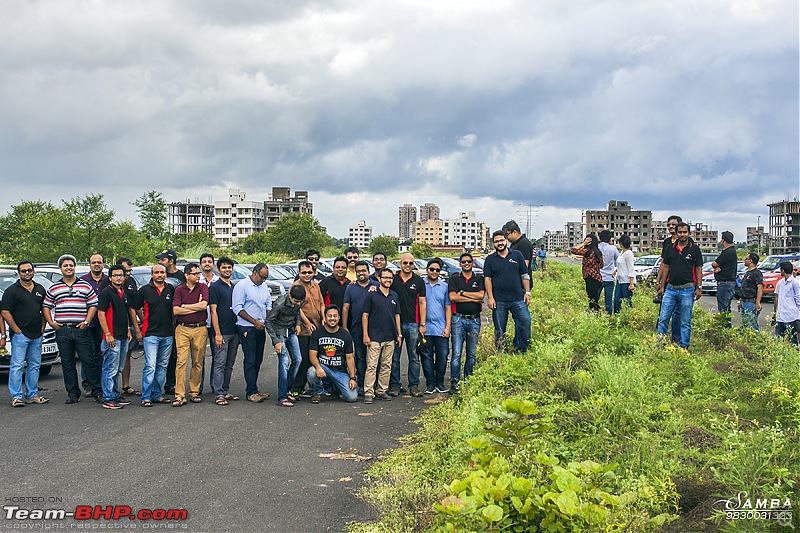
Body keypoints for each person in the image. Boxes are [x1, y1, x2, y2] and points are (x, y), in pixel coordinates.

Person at [43, 254, 100, 403]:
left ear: (74, 267)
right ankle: (73, 393)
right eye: (65, 266)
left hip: (81, 329)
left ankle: (97, 391)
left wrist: (87, 321)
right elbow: (46, 306)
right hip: (62, 330)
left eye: (71, 265)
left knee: (88, 361)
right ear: (60, 268)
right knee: (68, 363)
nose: (69, 268)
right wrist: (52, 322)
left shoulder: (85, 286)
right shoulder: (54, 288)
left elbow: (93, 304)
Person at [1, 261, 49, 407]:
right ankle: (16, 397)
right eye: (23, 271)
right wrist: (16, 329)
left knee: (34, 365)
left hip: (37, 334)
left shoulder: (40, 288)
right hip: (20, 335)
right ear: (19, 273)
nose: (27, 273)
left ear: (33, 271)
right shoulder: (12, 291)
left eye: (29, 270)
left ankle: (31, 395)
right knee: (17, 366)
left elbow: (45, 309)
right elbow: (4, 311)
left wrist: (43, 326)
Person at [97, 265, 141, 410]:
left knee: (119, 368)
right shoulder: (106, 293)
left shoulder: (123, 292)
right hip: (111, 337)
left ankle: (115, 395)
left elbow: (125, 312)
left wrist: (128, 328)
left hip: (123, 336)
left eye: (120, 275)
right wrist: (108, 334)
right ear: (110, 278)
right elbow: (101, 314)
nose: (118, 278)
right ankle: (108, 398)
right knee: (110, 368)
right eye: (115, 275)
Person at [656, 222, 704, 349]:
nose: (682, 235)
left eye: (685, 232)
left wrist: (699, 287)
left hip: (687, 289)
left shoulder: (694, 249)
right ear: (676, 233)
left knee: (685, 321)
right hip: (670, 289)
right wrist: (662, 285)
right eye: (680, 232)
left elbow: (699, 268)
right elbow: (666, 266)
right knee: (663, 318)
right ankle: (660, 345)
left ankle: (684, 347)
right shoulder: (670, 248)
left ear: (689, 233)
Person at [134, 264, 175, 407]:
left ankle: (157, 394)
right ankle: (146, 396)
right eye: (156, 272)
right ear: (152, 274)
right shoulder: (144, 290)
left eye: (162, 272)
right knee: (150, 365)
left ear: (165, 274)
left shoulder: (171, 289)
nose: (159, 275)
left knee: (162, 365)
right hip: (150, 334)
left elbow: (174, 310)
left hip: (168, 334)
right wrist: (138, 328)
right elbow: (134, 308)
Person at [484, 230, 531, 352]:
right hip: (499, 301)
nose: (499, 243)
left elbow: (524, 275)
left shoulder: (517, 255)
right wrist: (490, 297)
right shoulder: (490, 259)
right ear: (493, 244)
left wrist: (527, 292)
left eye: (501, 240)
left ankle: (521, 349)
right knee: (499, 328)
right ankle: (501, 352)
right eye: (496, 241)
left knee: (525, 322)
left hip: (518, 298)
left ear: (506, 240)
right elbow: (487, 279)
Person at [232, 263, 273, 403]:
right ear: (255, 272)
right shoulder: (242, 286)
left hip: (260, 327)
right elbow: (237, 308)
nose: (264, 280)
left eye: (266, 278)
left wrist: (267, 319)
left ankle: (254, 387)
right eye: (262, 277)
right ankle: (251, 391)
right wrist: (254, 321)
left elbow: (268, 304)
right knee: (250, 359)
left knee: (258, 360)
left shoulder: (263, 286)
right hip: (247, 327)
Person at [362, 268, 402, 404]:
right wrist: (366, 334)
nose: (388, 280)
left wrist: (399, 334)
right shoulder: (371, 294)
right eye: (385, 278)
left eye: (390, 278)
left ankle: (382, 390)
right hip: (374, 337)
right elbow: (365, 315)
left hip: (390, 336)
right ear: (379, 279)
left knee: (386, 365)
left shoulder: (394, 295)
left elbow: (397, 316)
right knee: (372, 366)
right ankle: (368, 392)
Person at [389, 253, 427, 397]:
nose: (408, 266)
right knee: (395, 357)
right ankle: (395, 385)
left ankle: (414, 385)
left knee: (413, 356)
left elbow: (422, 302)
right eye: (405, 263)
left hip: (413, 324)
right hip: (395, 324)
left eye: (411, 263)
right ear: (400, 263)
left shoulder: (418, 281)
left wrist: (422, 323)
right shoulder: (393, 280)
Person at [171, 263, 209, 406]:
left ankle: (194, 392)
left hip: (200, 328)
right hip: (182, 329)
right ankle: (179, 395)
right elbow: (176, 311)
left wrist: (185, 306)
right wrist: (194, 307)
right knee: (181, 361)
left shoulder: (203, 287)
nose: (198, 276)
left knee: (198, 361)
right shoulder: (179, 290)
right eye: (195, 273)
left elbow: (203, 306)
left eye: (198, 273)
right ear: (187, 275)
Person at [448, 253, 484, 394]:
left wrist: (462, 293)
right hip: (458, 319)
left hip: (474, 319)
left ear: (473, 263)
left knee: (471, 354)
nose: (466, 263)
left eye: (469, 261)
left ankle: (468, 382)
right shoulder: (455, 279)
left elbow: (481, 296)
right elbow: (452, 297)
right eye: (464, 262)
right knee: (456, 353)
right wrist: (473, 298)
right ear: (460, 264)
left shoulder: (478, 278)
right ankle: (455, 384)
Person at [307, 305, 358, 404]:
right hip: (323, 368)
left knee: (352, 397)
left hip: (340, 371)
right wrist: (318, 367)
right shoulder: (317, 333)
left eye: (335, 316)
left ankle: (333, 388)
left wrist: (352, 378)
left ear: (339, 318)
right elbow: (312, 355)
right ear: (325, 318)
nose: (332, 319)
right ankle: (318, 392)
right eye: (329, 316)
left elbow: (350, 358)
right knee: (312, 372)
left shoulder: (345, 335)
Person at [265, 285, 306, 407]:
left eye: (300, 301)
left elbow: (297, 312)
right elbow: (268, 322)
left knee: (298, 359)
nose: (298, 303)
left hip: (291, 330)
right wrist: (276, 340)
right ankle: (281, 397)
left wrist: (298, 324)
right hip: (279, 333)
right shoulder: (279, 304)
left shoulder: (298, 302)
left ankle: (288, 389)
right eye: (295, 301)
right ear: (290, 296)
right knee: (284, 363)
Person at [290, 261, 325, 399]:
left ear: (314, 272)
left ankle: (311, 387)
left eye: (309, 272)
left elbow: (321, 303)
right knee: (303, 359)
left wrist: (323, 318)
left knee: (314, 359)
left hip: (317, 328)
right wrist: (307, 322)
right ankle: (296, 388)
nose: (307, 275)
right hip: (303, 330)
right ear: (299, 273)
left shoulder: (316, 285)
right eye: (303, 272)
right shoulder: (296, 287)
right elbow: (296, 307)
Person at [342, 260, 378, 395]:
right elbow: (346, 307)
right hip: (356, 327)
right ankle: (362, 384)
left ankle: (374, 384)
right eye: (358, 271)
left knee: (374, 358)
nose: (361, 273)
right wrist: (345, 327)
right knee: (360, 357)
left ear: (369, 272)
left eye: (364, 271)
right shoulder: (350, 287)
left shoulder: (377, 286)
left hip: (375, 328)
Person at [209, 257, 241, 405]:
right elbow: (213, 312)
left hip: (235, 331)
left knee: (230, 363)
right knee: (219, 363)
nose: (227, 270)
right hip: (222, 332)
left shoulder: (234, 287)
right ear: (218, 269)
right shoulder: (215, 287)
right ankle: (218, 393)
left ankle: (225, 390)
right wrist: (217, 333)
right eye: (224, 267)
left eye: (229, 267)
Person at [420, 258, 451, 394]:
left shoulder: (444, 287)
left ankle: (440, 382)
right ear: (427, 270)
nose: (434, 272)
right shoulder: (421, 285)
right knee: (426, 356)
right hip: (425, 328)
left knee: (442, 356)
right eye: (431, 269)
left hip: (441, 328)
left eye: (437, 270)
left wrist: (448, 327)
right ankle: (430, 384)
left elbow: (448, 308)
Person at [80, 253, 109, 396]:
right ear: (89, 264)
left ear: (103, 264)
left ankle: (100, 384)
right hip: (88, 324)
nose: (96, 264)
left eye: (99, 262)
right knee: (88, 355)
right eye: (93, 262)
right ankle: (87, 384)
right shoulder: (83, 281)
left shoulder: (108, 280)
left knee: (102, 354)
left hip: (105, 324)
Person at [157, 248, 184, 396]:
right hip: (162, 321)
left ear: (171, 261)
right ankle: (156, 387)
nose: (160, 263)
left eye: (163, 260)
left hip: (178, 321)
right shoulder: (159, 275)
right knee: (162, 356)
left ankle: (172, 384)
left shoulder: (181, 276)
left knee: (176, 355)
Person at [656, 215, 685, 343]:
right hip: (668, 283)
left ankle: (676, 339)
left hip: (682, 284)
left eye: (673, 224)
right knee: (664, 313)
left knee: (678, 314)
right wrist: (659, 281)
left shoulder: (687, 243)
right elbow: (664, 263)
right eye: (668, 225)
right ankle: (661, 339)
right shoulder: (667, 243)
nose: (670, 227)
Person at [117, 258, 141, 397]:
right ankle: (109, 388)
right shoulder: (110, 283)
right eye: (126, 271)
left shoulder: (131, 281)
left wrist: (142, 322)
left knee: (127, 354)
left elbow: (135, 305)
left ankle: (126, 386)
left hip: (129, 323)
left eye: (129, 271)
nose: (127, 273)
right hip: (114, 325)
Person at [198, 252, 218, 393]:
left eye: (209, 261)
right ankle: (197, 387)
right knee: (199, 358)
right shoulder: (195, 280)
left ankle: (215, 386)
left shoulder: (218, 281)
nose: (207, 263)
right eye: (204, 261)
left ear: (213, 264)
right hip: (200, 323)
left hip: (216, 323)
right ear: (200, 265)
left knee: (217, 357)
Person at [571, 234, 604, 312]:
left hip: (590, 278)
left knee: (592, 302)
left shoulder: (587, 252)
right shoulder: (598, 252)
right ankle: (596, 315)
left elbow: (573, 250)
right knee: (595, 301)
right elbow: (602, 265)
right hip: (598, 278)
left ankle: (595, 316)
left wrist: (583, 244)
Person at [712, 231, 737, 328]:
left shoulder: (728, 251)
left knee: (724, 308)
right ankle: (726, 327)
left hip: (725, 283)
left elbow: (714, 264)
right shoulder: (732, 251)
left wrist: (716, 267)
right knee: (726, 307)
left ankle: (725, 328)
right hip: (728, 283)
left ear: (723, 240)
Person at [772, 262, 800, 345]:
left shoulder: (795, 282)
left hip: (791, 316)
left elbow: (798, 298)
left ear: (783, 270)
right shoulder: (781, 283)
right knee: (778, 338)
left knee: (792, 339)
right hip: (781, 315)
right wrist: (775, 312)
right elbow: (777, 298)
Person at [318, 256, 350, 323]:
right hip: (330, 321)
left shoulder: (349, 284)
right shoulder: (325, 283)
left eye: (343, 267)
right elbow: (319, 303)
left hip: (346, 321)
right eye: (337, 267)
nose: (340, 269)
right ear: (333, 268)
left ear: (347, 269)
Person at [737, 253, 763, 331]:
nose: (744, 261)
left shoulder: (757, 273)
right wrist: (740, 300)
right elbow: (744, 288)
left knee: (752, 324)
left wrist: (758, 302)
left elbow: (760, 288)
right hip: (744, 301)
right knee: (745, 324)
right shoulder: (747, 272)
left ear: (751, 261)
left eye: (746, 259)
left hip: (751, 302)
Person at [597, 230, 620, 315]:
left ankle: (594, 316)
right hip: (609, 277)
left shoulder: (596, 247)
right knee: (608, 300)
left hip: (598, 277)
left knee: (595, 299)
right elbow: (620, 260)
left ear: (600, 238)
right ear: (610, 239)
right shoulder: (613, 248)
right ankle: (609, 318)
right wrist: (616, 270)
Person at [613, 234, 635, 312]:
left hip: (627, 281)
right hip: (620, 280)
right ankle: (617, 317)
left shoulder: (629, 253)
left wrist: (631, 284)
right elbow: (621, 265)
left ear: (621, 244)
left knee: (627, 301)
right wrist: (616, 271)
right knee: (616, 301)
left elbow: (631, 269)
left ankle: (630, 317)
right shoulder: (622, 253)